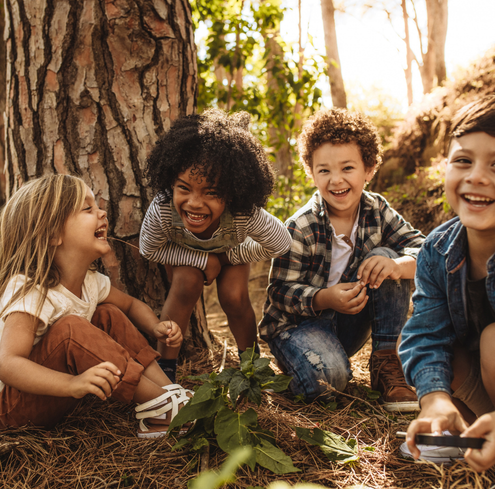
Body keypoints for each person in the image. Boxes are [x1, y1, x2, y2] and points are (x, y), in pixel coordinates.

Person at [0, 174, 192, 438]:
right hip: (11, 408)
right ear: (54, 233)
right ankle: (167, 407)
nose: (102, 213)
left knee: (108, 313)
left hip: (53, 395)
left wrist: (156, 326)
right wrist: (72, 383)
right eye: (88, 208)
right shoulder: (32, 290)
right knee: (71, 328)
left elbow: (131, 305)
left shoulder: (92, 283)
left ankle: (168, 393)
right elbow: (7, 363)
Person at [259, 108, 425, 412]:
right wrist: (324, 298)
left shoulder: (377, 210)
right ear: (311, 173)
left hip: (348, 323)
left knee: (386, 258)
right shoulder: (301, 226)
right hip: (298, 328)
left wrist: (398, 266)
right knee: (330, 381)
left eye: (347, 168)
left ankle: (386, 361)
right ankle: (307, 366)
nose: (336, 180)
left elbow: (426, 251)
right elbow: (279, 293)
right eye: (324, 170)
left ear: (369, 169)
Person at [139, 109, 292, 380]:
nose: (195, 203)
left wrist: (228, 257)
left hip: (230, 252)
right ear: (171, 182)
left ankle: (251, 367)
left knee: (233, 296)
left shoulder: (244, 213)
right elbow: (149, 249)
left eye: (211, 193)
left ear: (232, 194)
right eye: (184, 188)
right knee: (186, 283)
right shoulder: (163, 208)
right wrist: (202, 260)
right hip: (183, 255)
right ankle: (164, 374)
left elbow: (280, 243)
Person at [399, 95, 495, 471]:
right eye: (463, 161)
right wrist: (435, 399)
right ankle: (475, 435)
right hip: (481, 384)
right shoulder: (437, 250)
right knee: (443, 354)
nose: (477, 177)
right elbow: (425, 334)